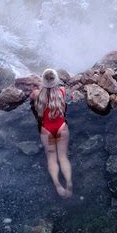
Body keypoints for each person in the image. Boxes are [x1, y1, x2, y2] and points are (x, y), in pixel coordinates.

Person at [30, 69, 73, 198]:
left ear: (43, 82)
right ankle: (69, 183)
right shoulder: (62, 91)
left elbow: (31, 98)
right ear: (56, 81)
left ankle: (58, 186)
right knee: (63, 157)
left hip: (46, 129)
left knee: (52, 159)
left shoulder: (38, 94)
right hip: (61, 127)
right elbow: (69, 97)